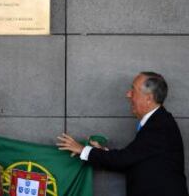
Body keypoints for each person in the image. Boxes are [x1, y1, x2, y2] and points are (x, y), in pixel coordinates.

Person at [57, 72, 188, 196]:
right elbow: (133, 160)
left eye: (133, 90)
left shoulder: (160, 125)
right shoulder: (158, 122)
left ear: (148, 98)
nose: (128, 94)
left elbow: (124, 159)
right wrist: (101, 152)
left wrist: (83, 150)